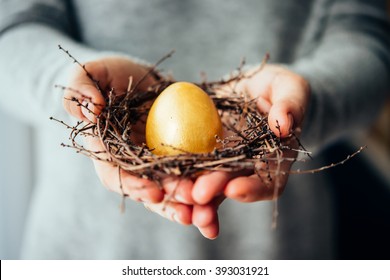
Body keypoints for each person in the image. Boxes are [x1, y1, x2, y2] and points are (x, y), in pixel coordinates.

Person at [0, 0, 389, 259]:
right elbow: (12, 30)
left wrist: (303, 103)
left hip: (273, 247)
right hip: (87, 248)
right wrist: (72, 83)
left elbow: (366, 40)